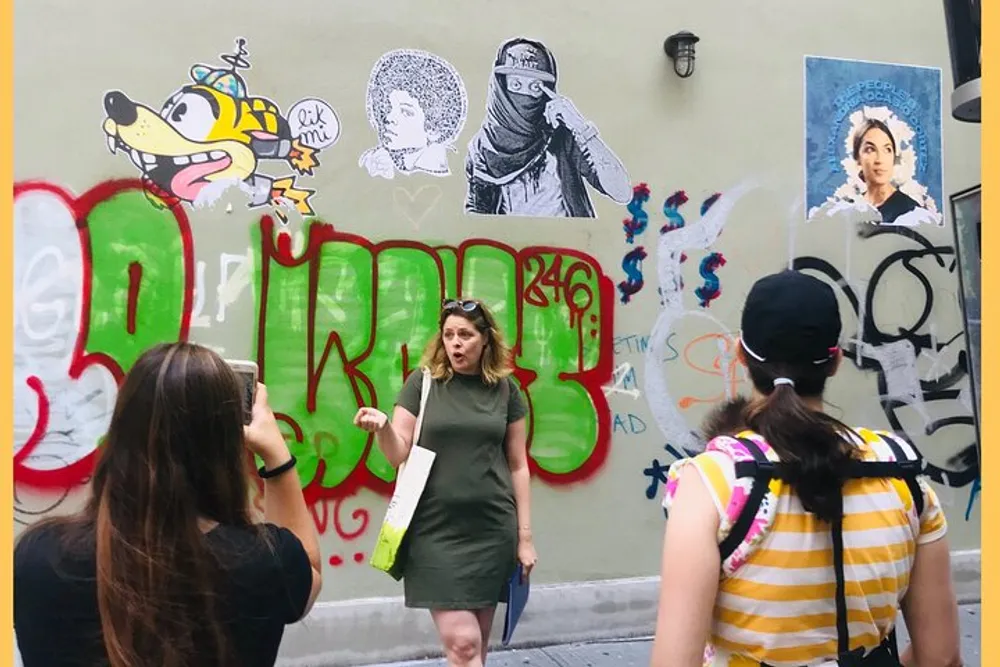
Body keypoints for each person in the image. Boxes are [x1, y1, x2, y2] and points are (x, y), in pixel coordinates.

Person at [651, 270, 962, 667]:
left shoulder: (712, 481)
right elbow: (941, 656)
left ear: (741, 354)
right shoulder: (899, 471)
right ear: (835, 362)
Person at [14, 342, 322, 667]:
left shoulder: (38, 556)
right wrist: (276, 456)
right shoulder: (264, 563)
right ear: (223, 451)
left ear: (121, 431)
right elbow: (309, 568)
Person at [354, 298, 536, 667]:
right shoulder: (422, 384)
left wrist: (525, 538)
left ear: (485, 340)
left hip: (491, 530)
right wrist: (384, 428)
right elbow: (397, 454)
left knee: (476, 650)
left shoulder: (505, 391)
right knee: (465, 645)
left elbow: (518, 464)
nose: (455, 343)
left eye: (465, 335)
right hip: (434, 533)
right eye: (449, 334)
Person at [464, 37, 631, 218]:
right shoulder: (482, 148)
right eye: (516, 84)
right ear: (500, 87)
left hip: (569, 242)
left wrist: (580, 127)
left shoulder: (562, 136)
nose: (526, 94)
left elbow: (621, 192)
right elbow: (477, 216)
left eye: (536, 86)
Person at [852, 118, 923, 224]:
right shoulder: (850, 210)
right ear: (858, 158)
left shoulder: (911, 212)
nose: (880, 159)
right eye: (870, 149)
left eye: (887, 149)